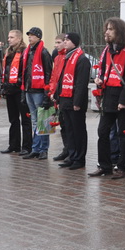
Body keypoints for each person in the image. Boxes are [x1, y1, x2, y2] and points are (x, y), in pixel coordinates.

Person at [88, 18, 125, 179]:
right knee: (102, 132)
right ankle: (105, 165)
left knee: (123, 134)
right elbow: (104, 71)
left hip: (121, 96)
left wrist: (124, 101)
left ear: (119, 31)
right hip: (108, 95)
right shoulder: (108, 50)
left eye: (111, 29)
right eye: (106, 29)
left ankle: (123, 166)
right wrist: (100, 81)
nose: (107, 32)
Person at [54, 32, 90, 170]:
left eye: (67, 40)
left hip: (74, 102)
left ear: (74, 42)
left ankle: (79, 159)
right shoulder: (66, 57)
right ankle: (72, 155)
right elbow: (61, 79)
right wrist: (57, 96)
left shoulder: (81, 59)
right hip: (65, 99)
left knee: (78, 131)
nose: (65, 42)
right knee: (69, 130)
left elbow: (81, 83)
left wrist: (77, 102)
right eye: (64, 40)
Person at [0, 30, 32, 156]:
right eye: (8, 37)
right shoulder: (8, 52)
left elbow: (26, 72)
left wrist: (18, 82)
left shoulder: (24, 52)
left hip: (20, 90)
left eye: (11, 37)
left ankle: (27, 147)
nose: (9, 39)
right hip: (9, 90)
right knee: (13, 119)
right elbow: (5, 72)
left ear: (19, 39)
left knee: (25, 120)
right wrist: (3, 87)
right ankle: (14, 145)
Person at [21, 27, 53, 160]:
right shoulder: (27, 51)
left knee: (43, 121)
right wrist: (24, 90)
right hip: (29, 89)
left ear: (39, 37)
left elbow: (48, 73)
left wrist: (47, 93)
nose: (29, 37)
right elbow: (25, 72)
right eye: (29, 35)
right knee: (34, 121)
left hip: (39, 90)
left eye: (32, 35)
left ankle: (43, 149)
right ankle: (35, 148)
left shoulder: (44, 52)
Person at [50, 34, 70, 162]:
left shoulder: (68, 57)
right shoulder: (57, 57)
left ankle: (71, 151)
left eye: (58, 42)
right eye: (55, 42)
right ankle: (66, 149)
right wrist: (52, 91)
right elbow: (54, 77)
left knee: (69, 126)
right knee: (62, 125)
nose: (56, 45)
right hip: (57, 95)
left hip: (65, 95)